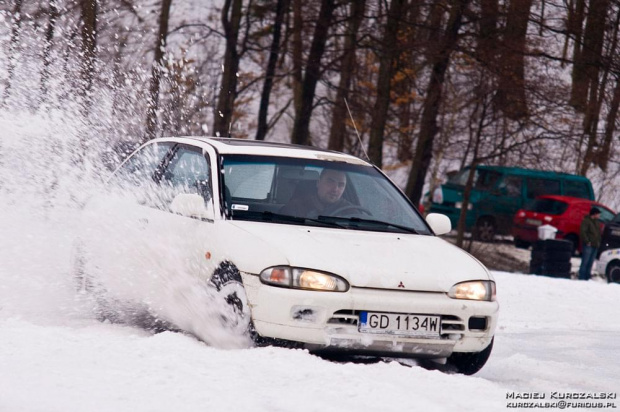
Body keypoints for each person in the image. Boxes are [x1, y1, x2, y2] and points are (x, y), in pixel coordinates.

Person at [280, 168, 352, 218]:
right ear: (318, 183)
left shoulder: (350, 211)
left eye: (341, 185)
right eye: (330, 182)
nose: (335, 189)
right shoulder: (296, 208)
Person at [578, 207, 602, 281]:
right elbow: (583, 232)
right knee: (585, 261)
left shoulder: (597, 222)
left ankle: (587, 277)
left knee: (590, 262)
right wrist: (587, 241)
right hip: (588, 245)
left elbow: (598, 233)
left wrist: (598, 242)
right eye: (598, 214)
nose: (599, 216)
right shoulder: (586, 221)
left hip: (595, 245)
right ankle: (582, 277)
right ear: (594, 214)